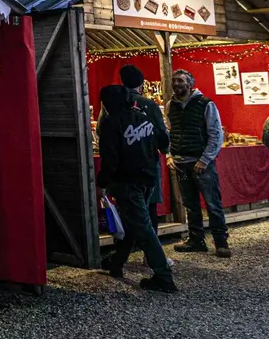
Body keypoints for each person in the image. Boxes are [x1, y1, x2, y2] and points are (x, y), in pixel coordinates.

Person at [96, 84, 177, 292]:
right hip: (149, 177)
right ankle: (117, 263)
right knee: (133, 223)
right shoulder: (145, 117)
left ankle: (163, 275)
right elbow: (164, 140)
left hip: (126, 181)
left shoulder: (110, 124)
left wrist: (102, 183)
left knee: (142, 227)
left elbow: (110, 159)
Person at [166, 69, 230, 258]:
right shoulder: (171, 105)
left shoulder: (206, 104)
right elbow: (169, 132)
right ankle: (196, 240)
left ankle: (221, 242)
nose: (177, 84)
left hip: (201, 164)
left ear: (190, 83)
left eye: (181, 81)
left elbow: (216, 134)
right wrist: (170, 155)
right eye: (174, 80)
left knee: (212, 203)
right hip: (181, 163)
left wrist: (204, 160)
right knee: (190, 204)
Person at [119, 65, 170, 240]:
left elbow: (103, 130)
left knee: (127, 208)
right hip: (147, 162)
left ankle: (125, 251)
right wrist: (165, 150)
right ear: (141, 85)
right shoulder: (149, 105)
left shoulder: (112, 105)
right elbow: (163, 136)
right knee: (149, 208)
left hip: (122, 164)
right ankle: (150, 253)